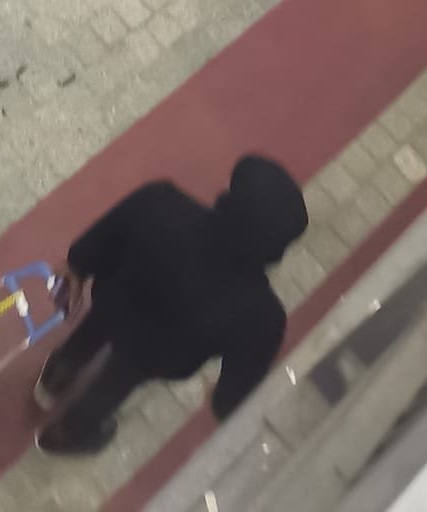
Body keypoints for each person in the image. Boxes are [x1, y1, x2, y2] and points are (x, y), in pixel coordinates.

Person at [33, 156, 308, 457]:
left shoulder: (161, 204)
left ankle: (54, 380)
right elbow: (235, 391)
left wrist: (78, 264)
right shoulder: (261, 317)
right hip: (157, 355)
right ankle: (65, 435)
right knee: (116, 383)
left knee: (88, 335)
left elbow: (108, 231)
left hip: (113, 303)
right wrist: (223, 399)